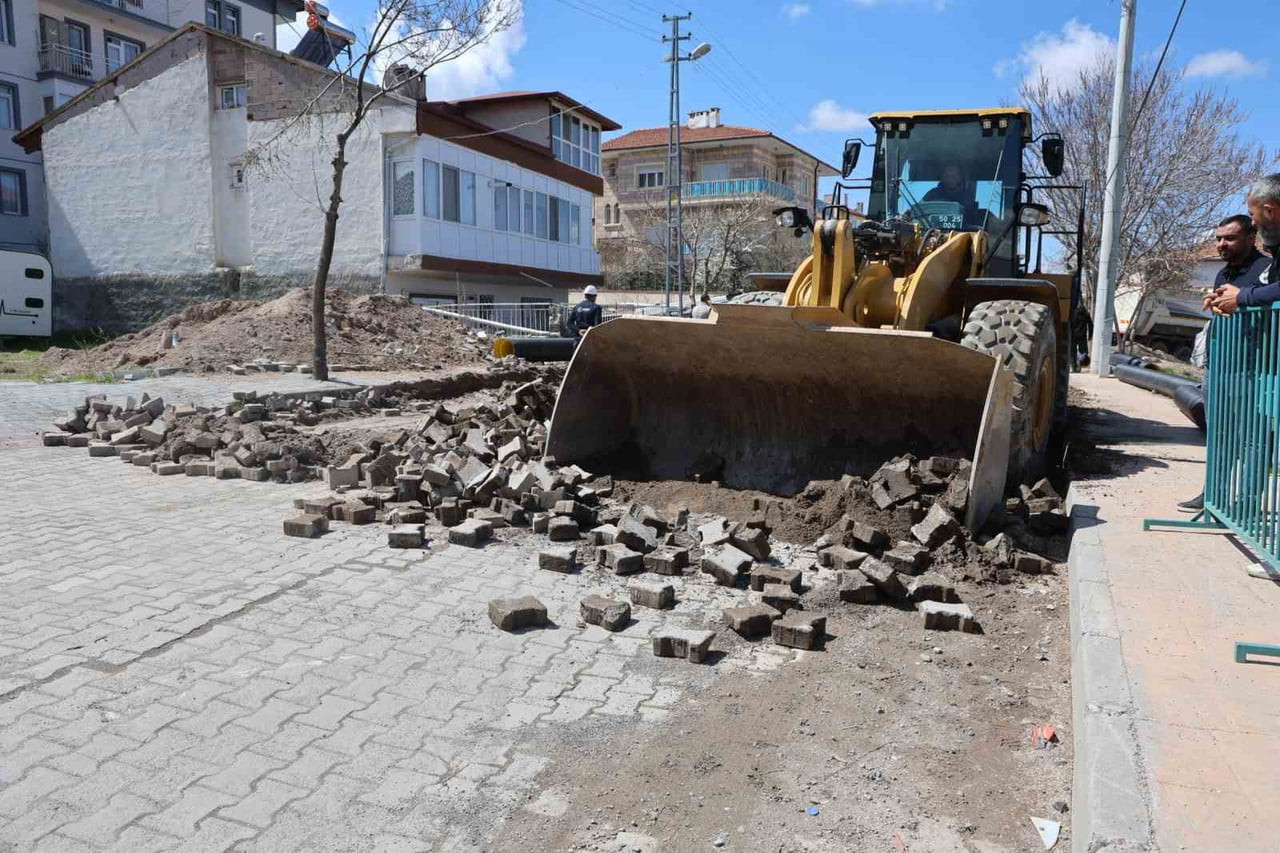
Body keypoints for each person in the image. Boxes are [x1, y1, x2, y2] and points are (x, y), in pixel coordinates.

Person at [1177, 213, 1272, 512]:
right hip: (1219, 366)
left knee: (1253, 438)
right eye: (1219, 238)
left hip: (1253, 368)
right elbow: (1226, 309)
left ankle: (1247, 503)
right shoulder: (1223, 274)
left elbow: (1265, 305)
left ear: (1250, 237)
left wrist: (1243, 299)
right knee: (1218, 433)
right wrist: (1214, 302)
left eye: (1229, 238)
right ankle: (1212, 495)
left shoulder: (1267, 269)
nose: (1221, 244)